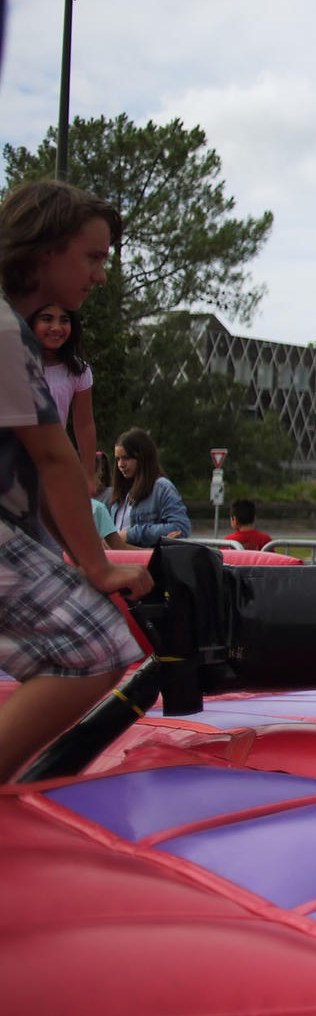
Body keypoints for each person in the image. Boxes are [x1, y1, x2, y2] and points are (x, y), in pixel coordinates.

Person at [0, 179, 154, 781]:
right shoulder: (8, 333)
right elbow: (55, 457)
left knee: (63, 644)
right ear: (44, 252)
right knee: (96, 647)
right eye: (92, 257)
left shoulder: (16, 330)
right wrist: (95, 564)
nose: (101, 274)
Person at [25, 303, 94, 483]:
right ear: (30, 322)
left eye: (64, 320)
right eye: (47, 319)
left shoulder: (78, 370)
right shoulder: (14, 363)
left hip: (52, 469)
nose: (56, 328)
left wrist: (88, 476)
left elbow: (84, 425)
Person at [108, 428, 191, 547]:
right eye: (118, 459)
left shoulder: (161, 488)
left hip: (145, 561)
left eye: (126, 458)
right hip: (116, 560)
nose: (121, 464)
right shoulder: (119, 491)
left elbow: (180, 527)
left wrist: (131, 534)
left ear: (142, 457)